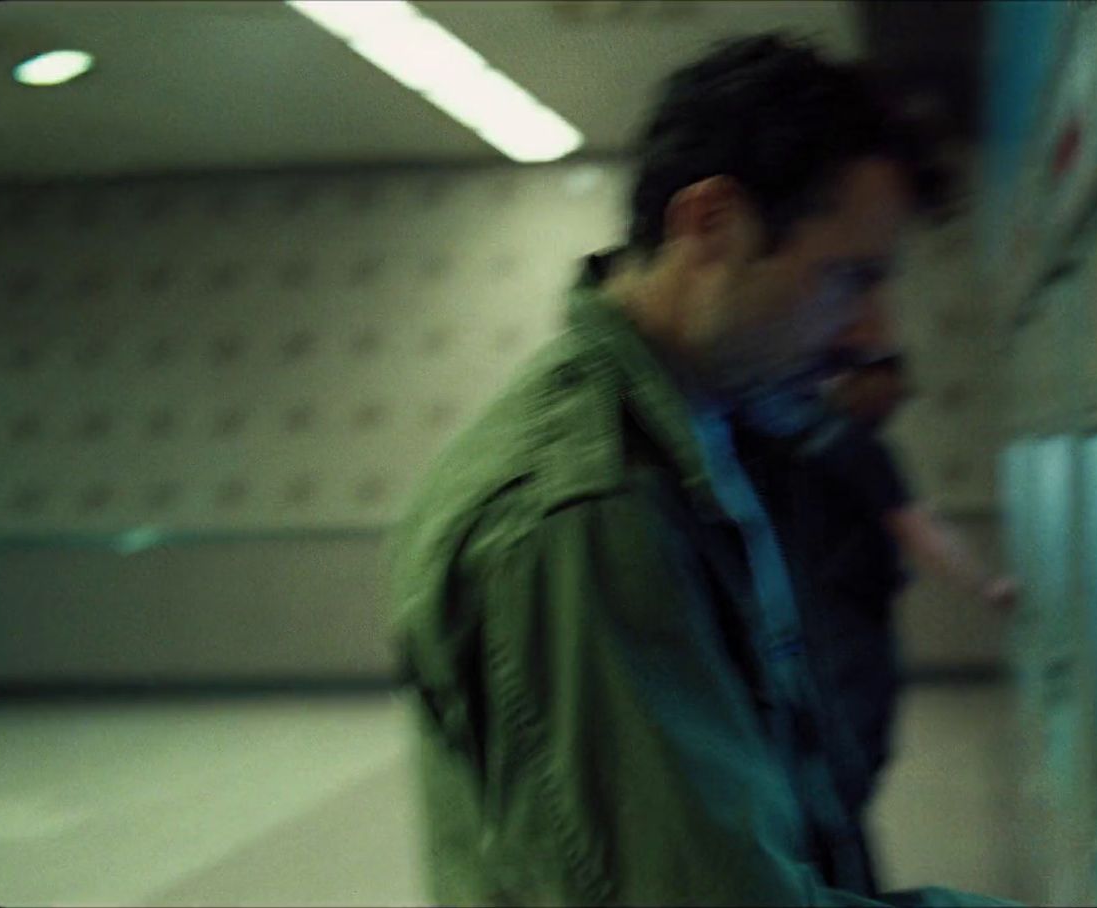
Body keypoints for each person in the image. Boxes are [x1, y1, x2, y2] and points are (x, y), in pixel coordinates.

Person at [387, 33, 1021, 907]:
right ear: (712, 225)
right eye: (849, 279)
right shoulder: (581, 512)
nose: (876, 333)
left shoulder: (705, 427)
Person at [733, 348, 1019, 859]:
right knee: (853, 753)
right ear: (861, 380)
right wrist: (985, 585)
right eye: (893, 388)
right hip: (850, 630)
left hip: (801, 623)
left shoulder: (792, 439)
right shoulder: (857, 448)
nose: (898, 403)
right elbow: (920, 532)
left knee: (817, 752)